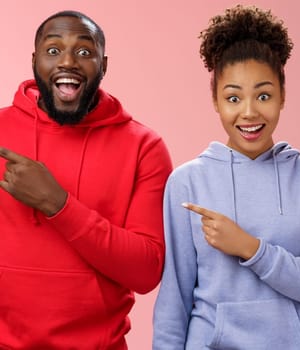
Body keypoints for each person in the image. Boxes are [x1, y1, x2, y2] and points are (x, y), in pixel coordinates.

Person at [152, 4, 300, 349]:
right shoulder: (187, 182)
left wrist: (251, 248)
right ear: (215, 100)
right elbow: (174, 301)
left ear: (282, 95)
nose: (249, 112)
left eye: (263, 95)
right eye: (233, 97)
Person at [0, 10, 172, 349]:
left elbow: (146, 271)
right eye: (53, 51)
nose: (68, 62)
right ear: (34, 60)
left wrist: (58, 205)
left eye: (84, 52)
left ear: (103, 65)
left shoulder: (144, 147)